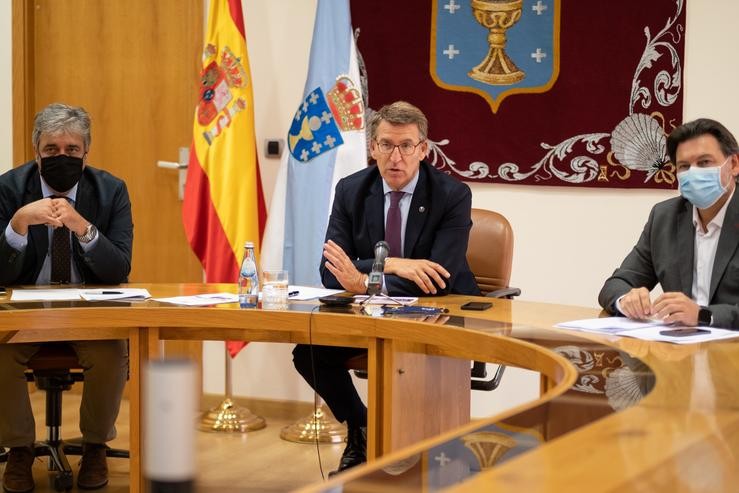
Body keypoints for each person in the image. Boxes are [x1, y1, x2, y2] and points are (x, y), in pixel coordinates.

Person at [292, 101, 479, 475]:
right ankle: (362, 428)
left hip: (437, 317)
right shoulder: (351, 191)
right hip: (371, 317)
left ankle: (429, 458)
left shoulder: (451, 195)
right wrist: (391, 264)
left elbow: (437, 279)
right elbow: (331, 273)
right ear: (372, 148)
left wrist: (364, 279)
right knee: (308, 352)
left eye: (406, 146)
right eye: (386, 145)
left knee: (410, 363)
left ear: (423, 150)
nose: (396, 157)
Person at [0, 103, 133, 492]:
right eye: (52, 149)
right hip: (23, 311)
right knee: (0, 352)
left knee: (111, 352)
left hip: (86, 308)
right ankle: (20, 448)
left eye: (72, 150)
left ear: (86, 153)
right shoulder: (8, 189)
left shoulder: (110, 191)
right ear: (36, 152)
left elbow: (118, 268)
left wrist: (83, 228)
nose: (63, 157)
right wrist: (18, 225)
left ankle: (94, 447)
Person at [599, 118, 739, 329]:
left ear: (734, 165)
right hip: (678, 352)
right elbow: (615, 285)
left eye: (704, 163)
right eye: (684, 166)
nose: (693, 173)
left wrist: (703, 315)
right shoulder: (664, 216)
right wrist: (627, 299)